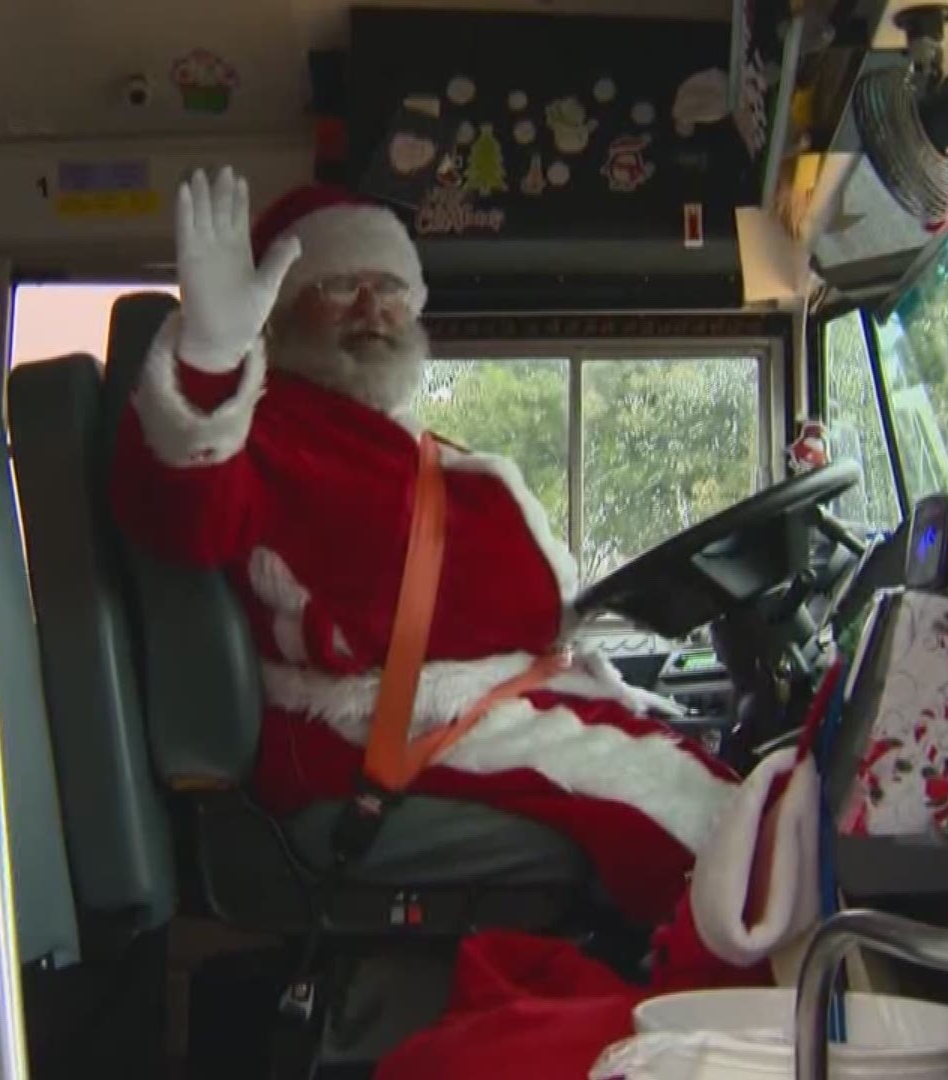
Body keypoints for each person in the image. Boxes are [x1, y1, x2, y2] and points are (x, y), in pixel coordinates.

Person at [109, 168, 819, 971]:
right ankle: (775, 1009)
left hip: (487, 704)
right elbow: (179, 512)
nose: (372, 309)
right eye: (339, 284)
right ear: (281, 308)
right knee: (711, 841)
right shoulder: (264, 430)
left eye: (388, 286)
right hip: (378, 733)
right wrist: (208, 358)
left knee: (721, 795)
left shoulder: (380, 435)